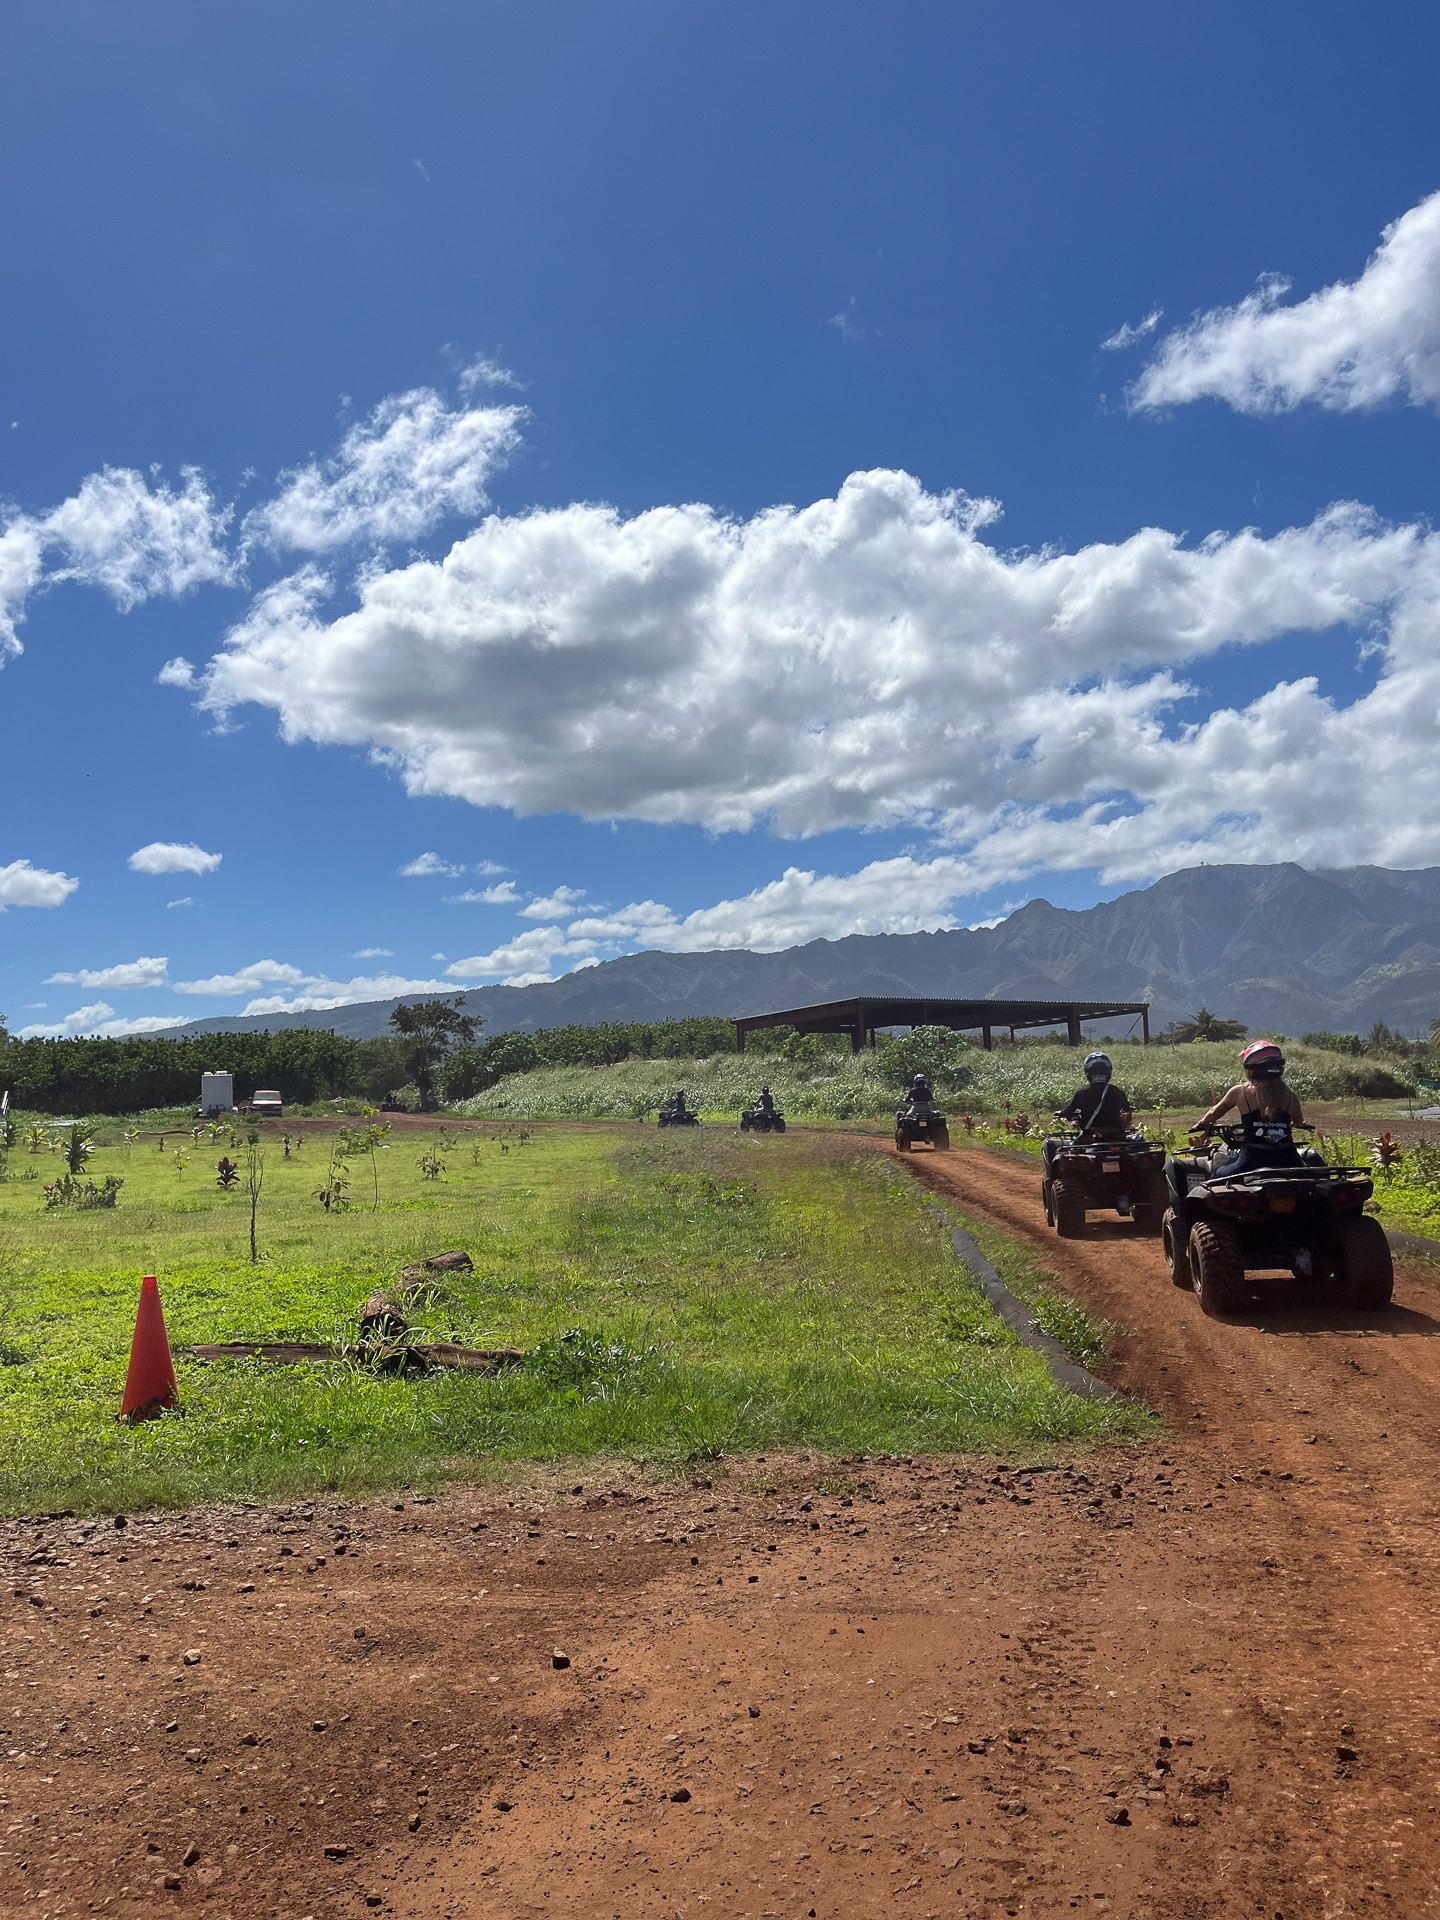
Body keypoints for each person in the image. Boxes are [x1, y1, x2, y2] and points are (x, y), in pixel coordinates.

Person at [1166, 1040, 1304, 1214]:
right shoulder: (1290, 1096)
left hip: (1253, 1159)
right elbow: (1298, 1121)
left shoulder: (1240, 1091)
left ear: (1252, 1069)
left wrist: (1201, 1124)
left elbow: (1216, 1111)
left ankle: (1213, 1225)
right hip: (1288, 1158)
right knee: (1311, 1182)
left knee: (1215, 1179)